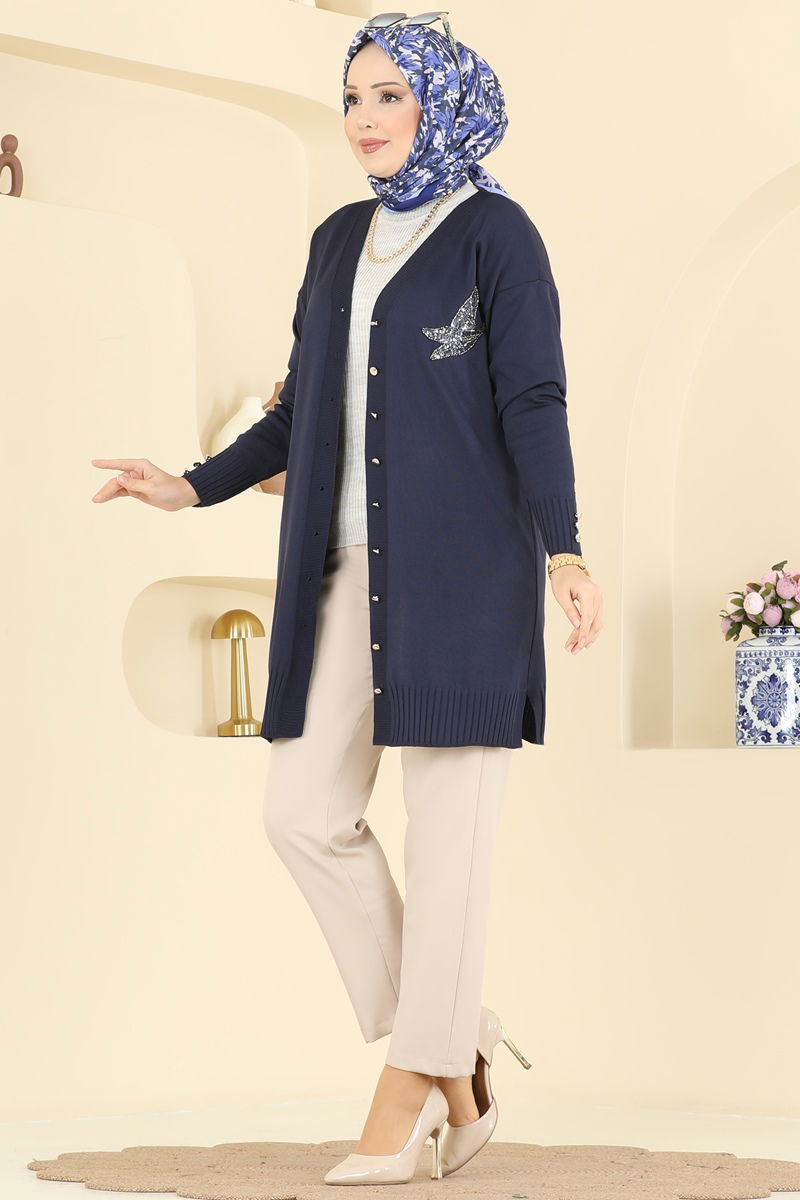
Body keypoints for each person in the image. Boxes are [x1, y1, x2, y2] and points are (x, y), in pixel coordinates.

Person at [91, 11, 603, 1186]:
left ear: (441, 103)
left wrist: (565, 554)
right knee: (300, 814)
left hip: (465, 575)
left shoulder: (496, 237)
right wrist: (190, 485)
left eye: (388, 96)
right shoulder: (335, 242)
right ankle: (456, 1042)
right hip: (339, 574)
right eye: (351, 98)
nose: (363, 120)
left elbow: (532, 400)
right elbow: (294, 412)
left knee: (449, 837)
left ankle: (410, 1084)